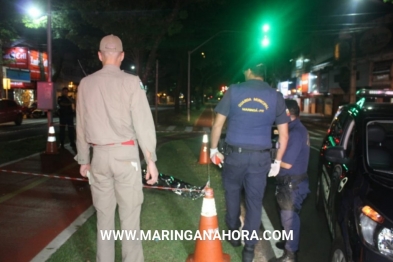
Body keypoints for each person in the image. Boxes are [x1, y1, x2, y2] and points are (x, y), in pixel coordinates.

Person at [76, 34, 158, 262]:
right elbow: (143, 123)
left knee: (104, 222)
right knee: (130, 219)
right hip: (126, 156)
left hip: (99, 157)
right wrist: (150, 159)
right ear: (121, 56)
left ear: (100, 56)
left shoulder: (85, 84)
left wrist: (84, 159)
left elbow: (80, 125)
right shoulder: (132, 82)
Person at [210, 59, 290, 262]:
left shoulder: (234, 91)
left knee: (232, 193)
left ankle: (233, 230)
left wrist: (213, 149)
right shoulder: (275, 96)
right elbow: (284, 135)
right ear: (263, 74)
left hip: (235, 155)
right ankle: (249, 249)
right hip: (260, 158)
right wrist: (277, 161)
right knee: (255, 203)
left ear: (248, 71)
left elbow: (217, 125)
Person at [272, 99, 310, 262]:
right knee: (287, 217)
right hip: (290, 183)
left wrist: (268, 157)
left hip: (292, 184)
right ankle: (288, 242)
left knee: (289, 219)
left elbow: (286, 163)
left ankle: (290, 255)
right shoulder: (294, 129)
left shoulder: (295, 133)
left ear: (287, 113)